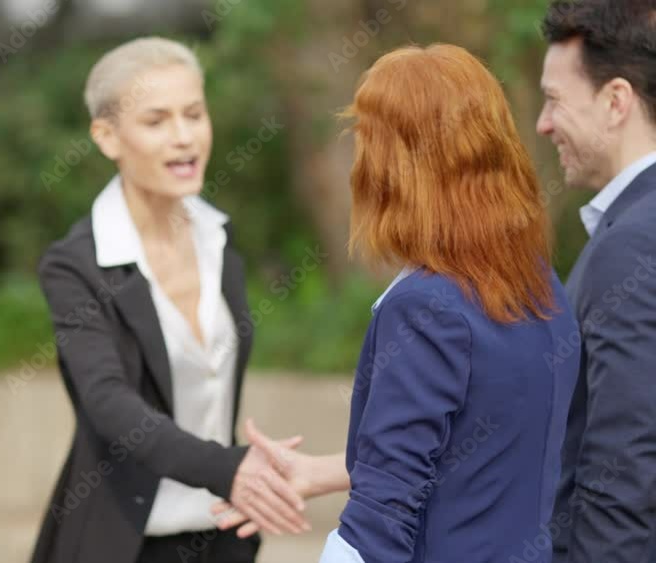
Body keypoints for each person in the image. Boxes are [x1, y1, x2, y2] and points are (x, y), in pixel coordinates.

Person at [215, 44, 580, 563]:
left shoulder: (426, 309)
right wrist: (323, 472)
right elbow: (472, 450)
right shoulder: (543, 288)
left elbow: (381, 522)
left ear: (394, 168)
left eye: (367, 140)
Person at [29, 37, 308, 563]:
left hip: (223, 534)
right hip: (123, 542)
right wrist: (226, 467)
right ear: (107, 137)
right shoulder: (76, 265)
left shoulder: (217, 239)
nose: (184, 138)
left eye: (194, 114)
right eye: (156, 122)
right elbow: (108, 403)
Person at [536, 2, 656, 561]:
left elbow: (624, 469)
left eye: (555, 99)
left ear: (615, 102)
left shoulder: (631, 242)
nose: (543, 122)